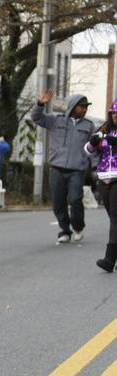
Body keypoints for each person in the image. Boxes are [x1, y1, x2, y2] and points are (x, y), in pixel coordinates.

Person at [32, 90, 94, 243]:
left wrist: (95, 168)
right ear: (73, 106)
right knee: (58, 202)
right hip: (57, 168)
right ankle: (65, 230)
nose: (84, 109)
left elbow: (93, 148)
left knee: (75, 199)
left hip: (77, 170)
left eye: (86, 107)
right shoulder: (56, 121)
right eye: (82, 106)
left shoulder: (89, 126)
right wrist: (40, 104)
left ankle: (78, 227)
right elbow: (36, 117)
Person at [87, 99, 117, 272]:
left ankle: (109, 258)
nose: (116, 116)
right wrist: (92, 143)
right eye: (113, 113)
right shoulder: (104, 131)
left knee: (115, 216)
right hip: (104, 177)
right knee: (113, 217)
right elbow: (88, 151)